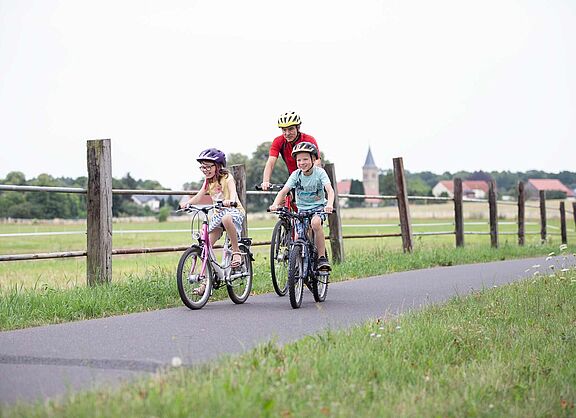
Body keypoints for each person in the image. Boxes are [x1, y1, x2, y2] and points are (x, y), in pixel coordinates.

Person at [268, 142, 335, 271]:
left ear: (314, 159)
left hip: (318, 208)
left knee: (315, 223)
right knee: (299, 238)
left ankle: (321, 258)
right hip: (302, 209)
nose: (302, 162)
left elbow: (330, 191)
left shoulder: (320, 173)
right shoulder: (296, 175)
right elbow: (284, 191)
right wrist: (275, 204)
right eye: (299, 160)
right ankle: (299, 267)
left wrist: (329, 204)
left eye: (305, 159)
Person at [180, 148, 245, 279]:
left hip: (234, 211)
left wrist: (230, 201)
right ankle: (206, 282)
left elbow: (233, 191)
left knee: (227, 218)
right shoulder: (208, 181)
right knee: (205, 246)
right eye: (202, 167)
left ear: (218, 166)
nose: (205, 170)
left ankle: (236, 252)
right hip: (217, 216)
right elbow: (199, 196)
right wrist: (187, 203)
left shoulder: (227, 177)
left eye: (208, 167)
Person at [260, 111, 322, 191]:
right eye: (284, 130)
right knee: (283, 199)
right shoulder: (278, 141)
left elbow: (317, 161)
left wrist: (310, 178)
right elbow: (271, 162)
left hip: (311, 177)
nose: (287, 133)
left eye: (290, 129)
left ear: (298, 128)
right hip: (293, 178)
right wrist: (266, 181)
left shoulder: (308, 139)